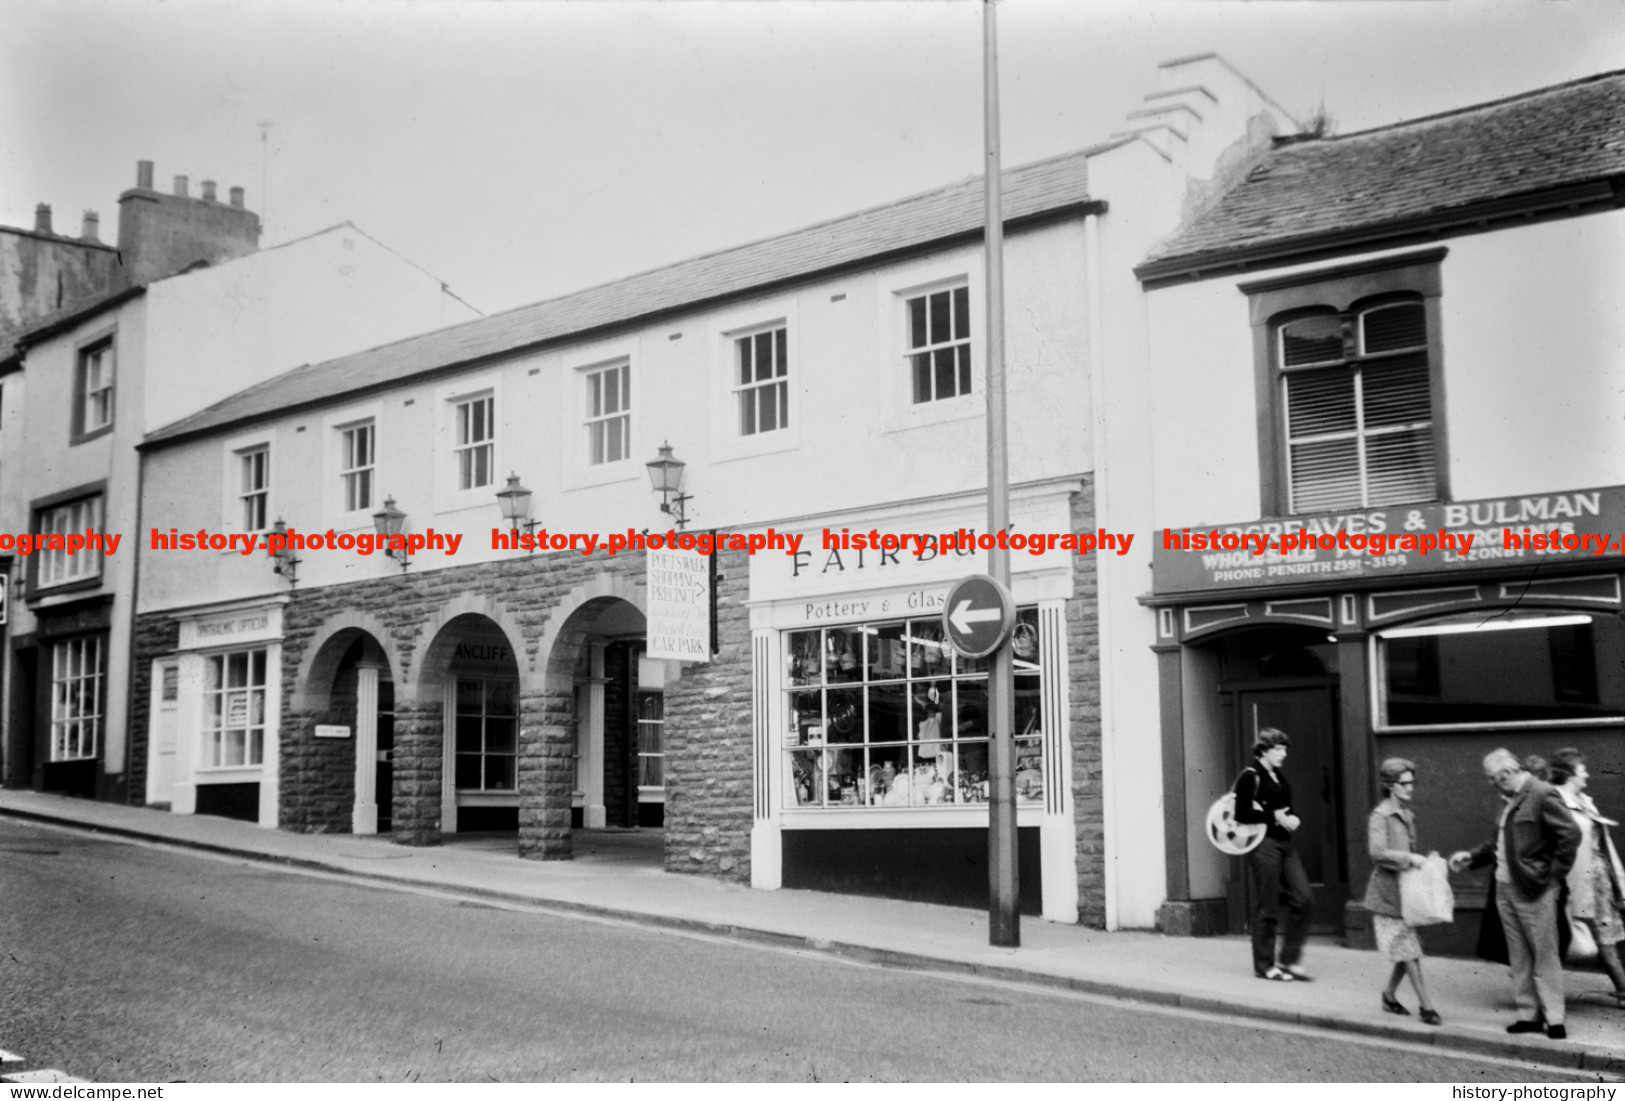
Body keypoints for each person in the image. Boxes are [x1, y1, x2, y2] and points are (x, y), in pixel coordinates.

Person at [1449, 748, 1582, 1040]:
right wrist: (1470, 857)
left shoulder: (1541, 793)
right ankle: (1528, 1015)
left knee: (1544, 955)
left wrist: (1551, 876)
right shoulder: (1507, 800)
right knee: (1519, 956)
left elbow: (1570, 835)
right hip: (1505, 889)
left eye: (1494, 779)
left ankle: (1554, 1018)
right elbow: (1498, 842)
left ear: (1507, 774)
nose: (1492, 785)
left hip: (1535, 889)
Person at [1233, 728, 1313, 982]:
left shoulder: (1276, 775)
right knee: (1268, 905)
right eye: (1278, 749)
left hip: (1285, 843)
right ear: (1264, 751)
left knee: (1304, 899)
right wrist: (1274, 816)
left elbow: (1286, 806)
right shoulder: (1250, 776)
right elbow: (1241, 813)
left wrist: (1294, 817)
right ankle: (1265, 966)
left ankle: (1289, 960)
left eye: (1284, 749)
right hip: (1264, 845)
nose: (1283, 754)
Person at [1365, 758, 1442, 1024]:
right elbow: (1377, 853)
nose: (1410, 788)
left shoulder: (1408, 816)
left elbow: (1407, 854)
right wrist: (1411, 859)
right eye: (1405, 783)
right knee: (1409, 950)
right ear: (1391, 786)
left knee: (1407, 948)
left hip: (1407, 893)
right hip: (1387, 895)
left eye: (1412, 782)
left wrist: (1421, 860)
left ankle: (1388, 994)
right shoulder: (1380, 816)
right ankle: (1427, 1006)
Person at [1548, 748, 1625, 1004]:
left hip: (1598, 878)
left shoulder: (1584, 800)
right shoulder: (1555, 802)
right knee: (1572, 935)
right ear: (1569, 774)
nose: (1588, 775)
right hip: (1576, 881)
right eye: (1583, 770)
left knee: (1604, 936)